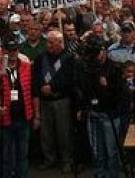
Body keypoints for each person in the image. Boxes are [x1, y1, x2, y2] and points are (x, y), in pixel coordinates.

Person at [75, 35, 125, 178]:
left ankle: (113, 175)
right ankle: (100, 174)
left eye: (97, 52)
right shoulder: (87, 67)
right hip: (93, 111)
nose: (95, 56)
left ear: (103, 50)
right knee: (97, 150)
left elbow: (121, 93)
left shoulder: (114, 67)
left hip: (110, 113)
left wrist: (107, 85)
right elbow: (83, 88)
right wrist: (83, 107)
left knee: (111, 150)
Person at [0, 39, 33, 178]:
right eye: (9, 50)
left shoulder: (26, 67)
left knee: (22, 154)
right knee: (4, 155)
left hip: (23, 117)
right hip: (4, 118)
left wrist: (35, 115)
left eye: (15, 50)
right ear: (4, 51)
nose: (12, 53)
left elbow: (33, 91)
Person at [32, 29, 76, 173]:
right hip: (44, 101)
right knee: (46, 134)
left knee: (63, 132)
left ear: (60, 42)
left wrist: (53, 87)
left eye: (52, 42)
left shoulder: (69, 58)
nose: (49, 45)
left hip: (61, 100)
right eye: (48, 42)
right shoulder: (40, 58)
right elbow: (36, 77)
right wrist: (42, 88)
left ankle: (66, 160)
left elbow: (70, 79)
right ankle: (49, 159)